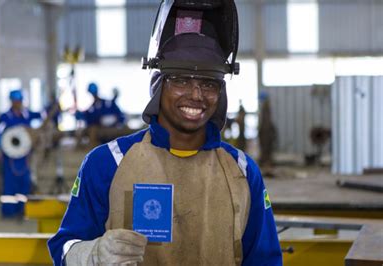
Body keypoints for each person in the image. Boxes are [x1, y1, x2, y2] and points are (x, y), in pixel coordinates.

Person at [48, 1, 282, 265]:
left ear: (222, 93)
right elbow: (64, 247)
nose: (196, 95)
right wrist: (90, 255)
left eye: (208, 84)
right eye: (181, 80)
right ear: (157, 86)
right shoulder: (107, 163)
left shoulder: (242, 171)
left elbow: (265, 259)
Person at [0, 90, 43, 218]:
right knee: (10, 184)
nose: (18, 103)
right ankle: (9, 211)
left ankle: (22, 209)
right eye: (15, 101)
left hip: (24, 156)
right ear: (11, 101)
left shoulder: (27, 115)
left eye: (19, 101)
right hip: (9, 156)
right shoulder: (5, 117)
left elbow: (41, 117)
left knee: (24, 183)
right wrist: (0, 149)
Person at [77, 83, 126, 147]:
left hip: (112, 130)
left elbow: (120, 117)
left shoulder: (107, 104)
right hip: (100, 131)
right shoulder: (93, 107)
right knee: (92, 131)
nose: (93, 95)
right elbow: (90, 119)